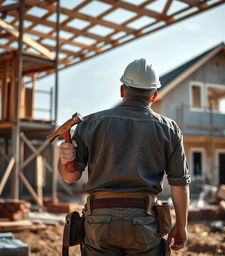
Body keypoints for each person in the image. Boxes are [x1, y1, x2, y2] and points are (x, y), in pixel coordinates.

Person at [58, 58, 191, 256]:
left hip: (99, 223)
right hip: (144, 222)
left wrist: (64, 160)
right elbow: (179, 185)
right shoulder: (170, 130)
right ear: (154, 96)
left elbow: (70, 176)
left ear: (122, 91)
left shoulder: (89, 124)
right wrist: (181, 226)